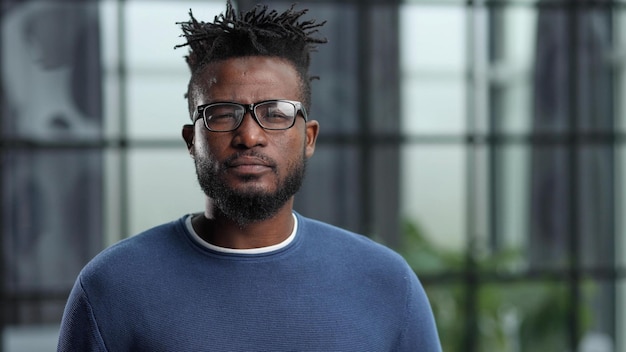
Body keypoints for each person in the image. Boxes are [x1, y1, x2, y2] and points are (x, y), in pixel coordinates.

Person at [57, 1, 442, 351]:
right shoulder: (113, 286)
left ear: (308, 138)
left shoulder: (387, 283)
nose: (250, 136)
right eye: (223, 114)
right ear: (192, 140)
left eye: (275, 113)